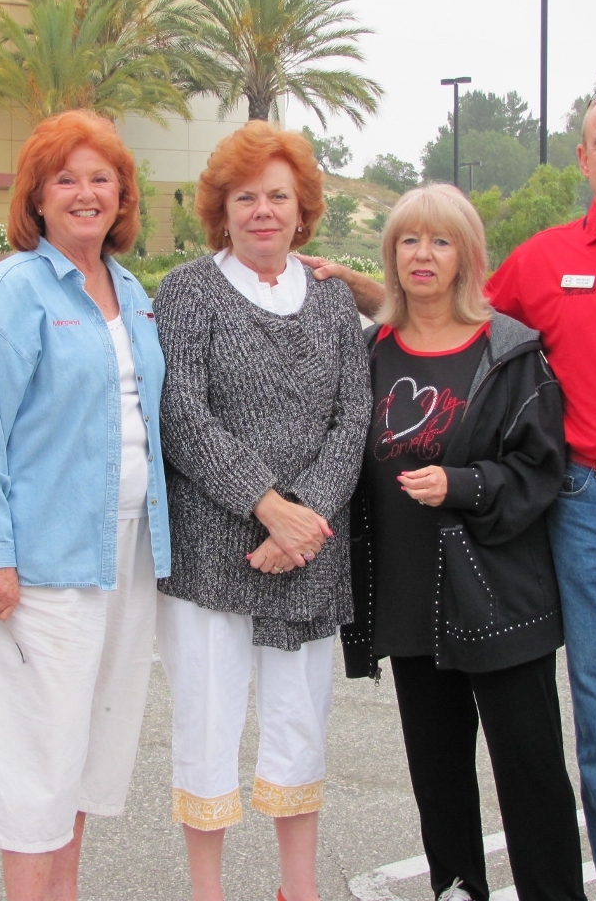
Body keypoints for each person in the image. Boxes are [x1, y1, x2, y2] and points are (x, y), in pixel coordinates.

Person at [305, 82, 596, 900]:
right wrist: (352, 282)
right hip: (586, 507)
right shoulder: (548, 261)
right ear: (585, 160)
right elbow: (448, 307)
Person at [0, 109, 170, 901]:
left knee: (90, 754)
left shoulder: (132, 290)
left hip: (127, 558)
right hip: (40, 565)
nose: (85, 193)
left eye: (100, 178)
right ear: (35, 197)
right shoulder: (12, 291)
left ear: (122, 194)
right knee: (39, 762)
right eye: (64, 178)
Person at [340, 184, 586, 901]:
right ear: (390, 256)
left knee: (532, 779)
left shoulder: (509, 356)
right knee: (440, 784)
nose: (423, 255)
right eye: (409, 240)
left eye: (440, 241)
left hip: (501, 603)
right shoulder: (369, 354)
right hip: (412, 606)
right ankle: (457, 889)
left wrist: (464, 486)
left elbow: (541, 474)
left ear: (467, 257)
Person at [153, 119, 371, 901]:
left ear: (303, 208)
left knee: (298, 725)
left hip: (309, 549)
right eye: (246, 197)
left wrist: (303, 517)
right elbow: (179, 412)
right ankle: (207, 890)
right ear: (222, 208)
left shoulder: (334, 302)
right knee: (207, 725)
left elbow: (355, 417)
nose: (263, 211)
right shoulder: (187, 292)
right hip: (215, 552)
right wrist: (265, 506)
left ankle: (298, 889)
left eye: (278, 196)